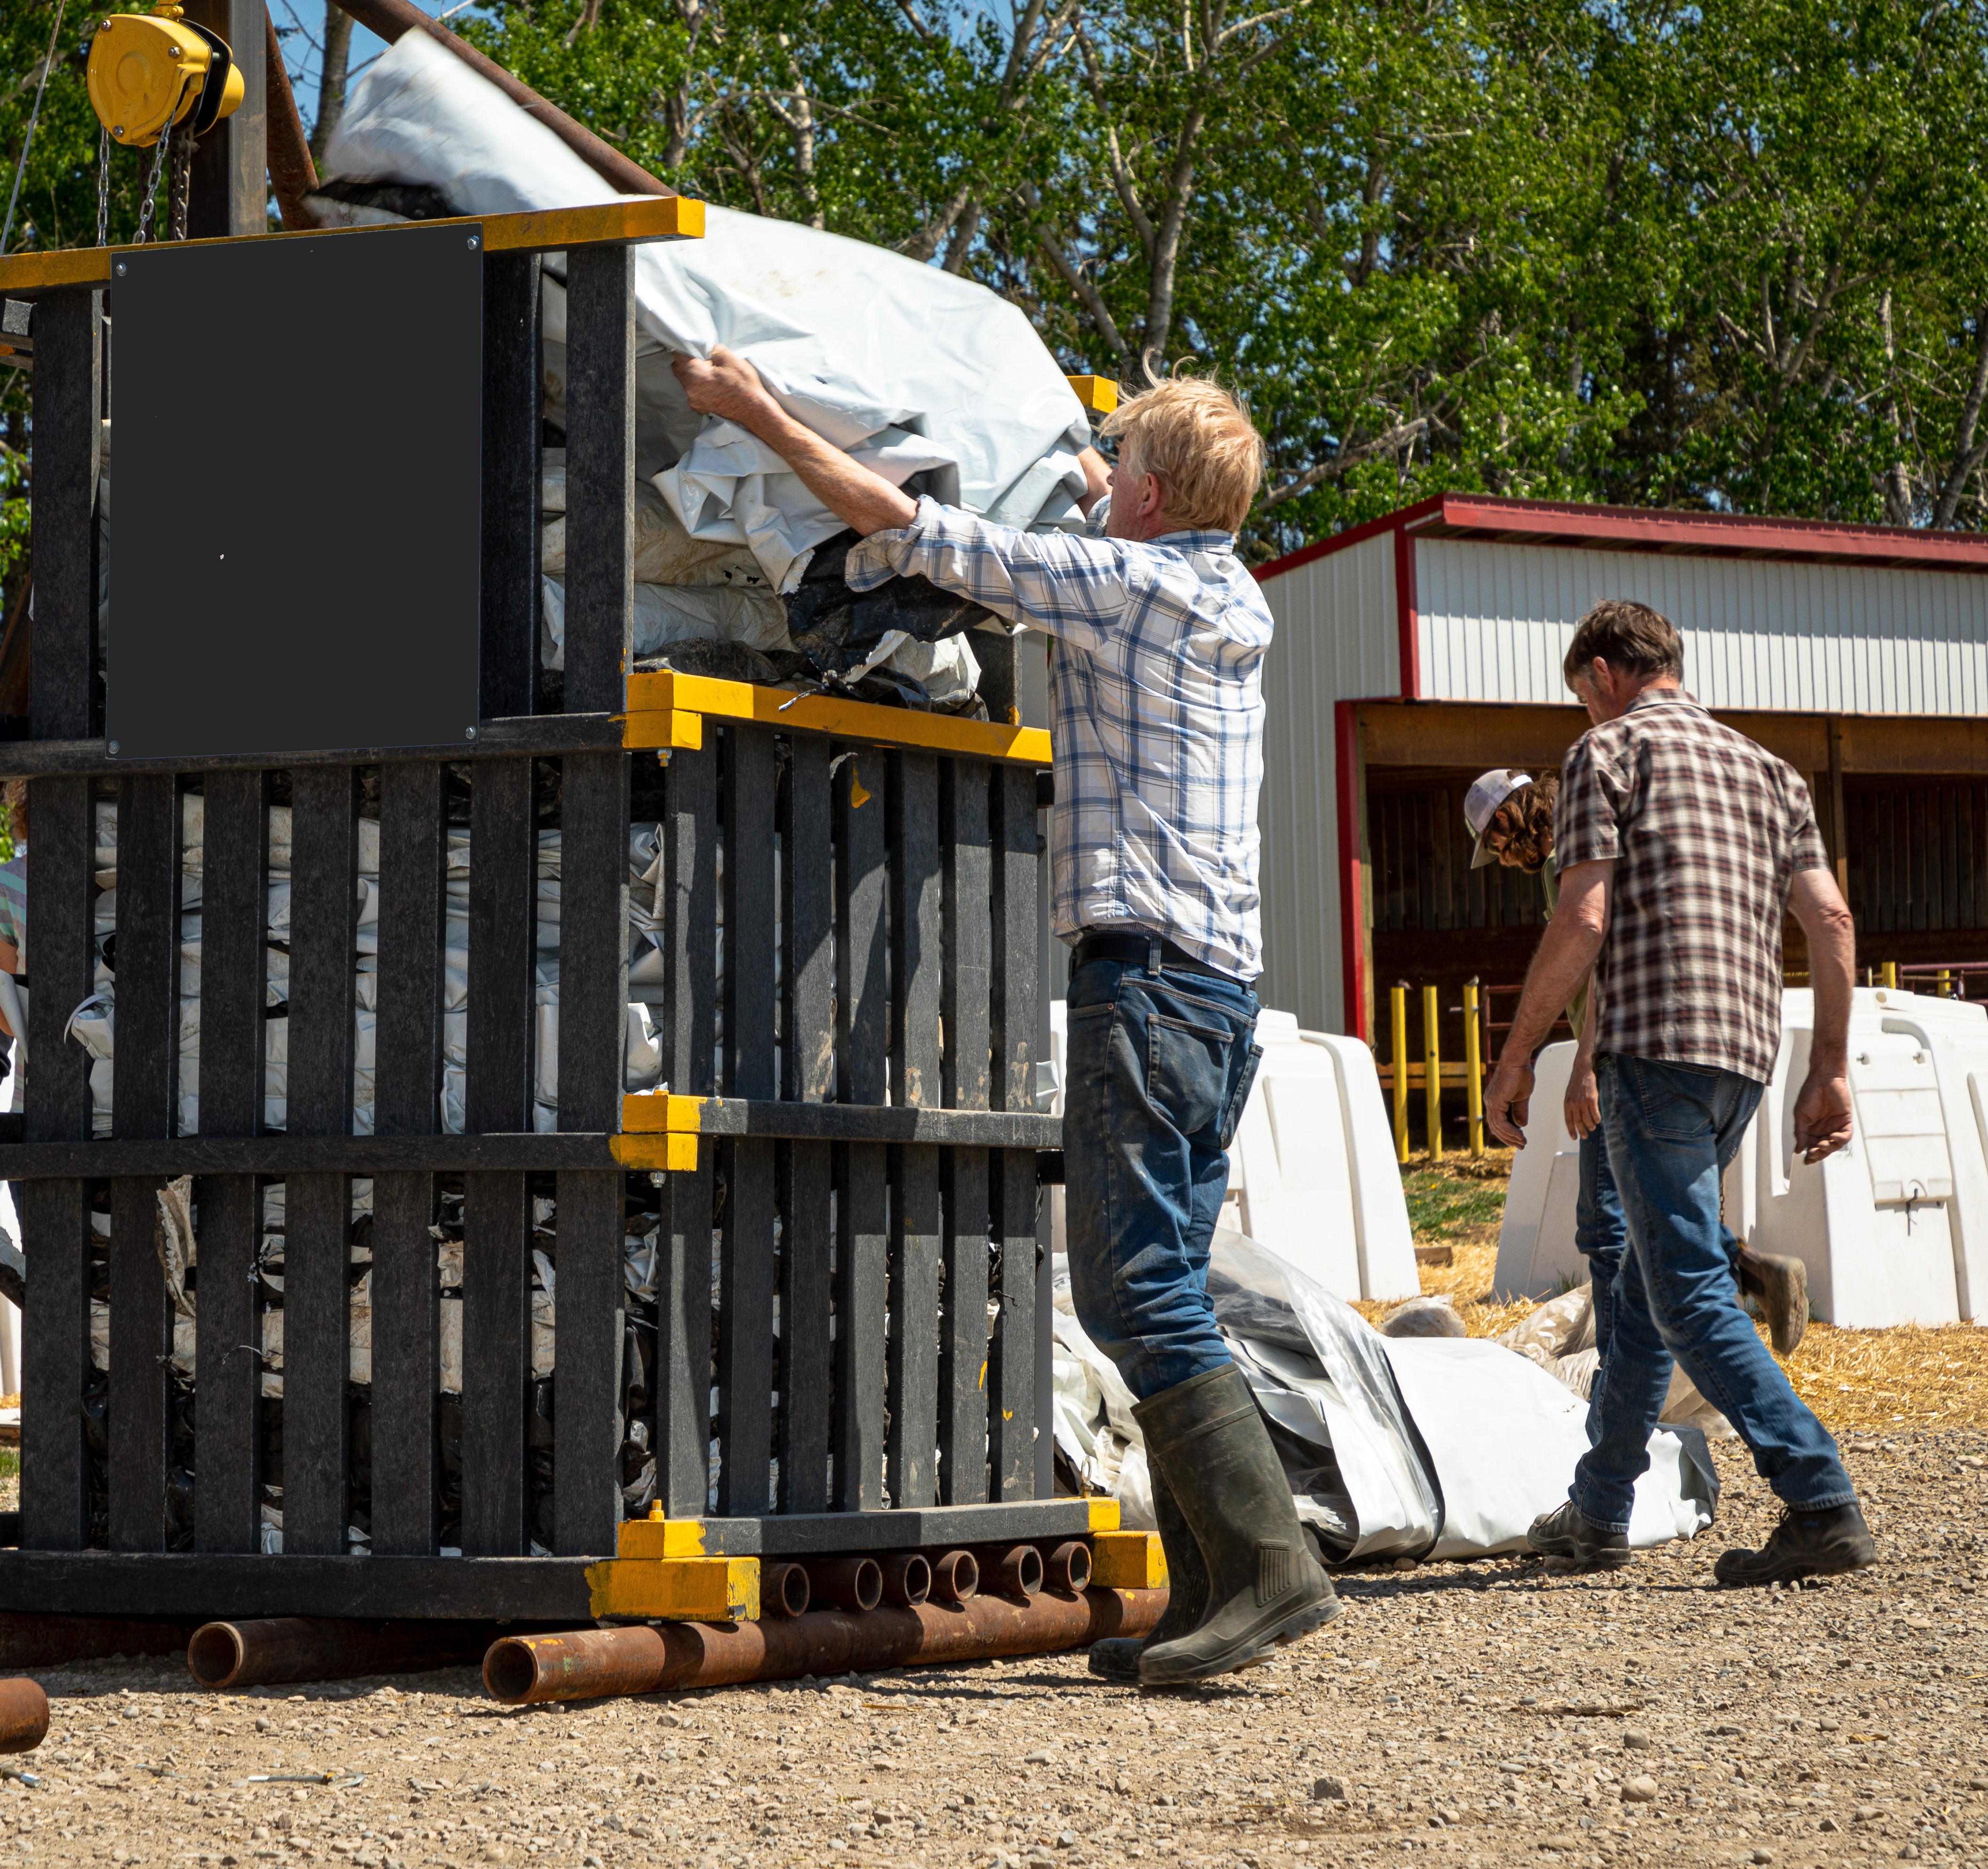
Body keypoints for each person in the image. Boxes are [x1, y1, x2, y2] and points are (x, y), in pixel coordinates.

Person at [669, 347, 1339, 1683]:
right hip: (1214, 990)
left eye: (1120, 476)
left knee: (1131, 1283)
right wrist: (1092, 448)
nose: (1105, 494)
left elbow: (908, 525)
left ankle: (1267, 1565)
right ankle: (1210, 1577)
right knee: (1166, 1275)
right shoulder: (1218, 590)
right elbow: (1098, 500)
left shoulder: (1126, 585)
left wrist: (758, 414)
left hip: (1143, 977)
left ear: (1150, 500)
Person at [1482, 599, 1874, 1585]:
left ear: (1605, 672)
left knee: (1686, 1291)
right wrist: (1827, 1064)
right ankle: (1601, 1505)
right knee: (1643, 1287)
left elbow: (1582, 911)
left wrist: (1518, 1050)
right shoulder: (1768, 769)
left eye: (1581, 696)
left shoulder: (1605, 756)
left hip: (1652, 1048)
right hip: (1744, 1054)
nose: (1582, 716)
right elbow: (1827, 917)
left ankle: (1818, 1493)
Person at [1465, 771, 1811, 1389]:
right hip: (1690, 1040)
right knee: (1662, 1205)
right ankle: (1752, 1272)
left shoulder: (1572, 851)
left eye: (1494, 844)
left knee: (1604, 1221)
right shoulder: (1594, 828)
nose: (1501, 859)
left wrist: (1585, 1065)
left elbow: (1607, 955)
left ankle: (1620, 1381)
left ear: (1505, 821)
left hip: (1628, 1050)